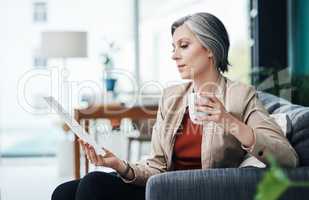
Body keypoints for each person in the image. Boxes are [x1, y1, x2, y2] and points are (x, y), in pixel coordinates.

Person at [51, 12, 298, 200]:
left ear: (210, 49)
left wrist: (228, 121)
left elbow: (288, 158)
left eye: (183, 46)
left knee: (93, 185)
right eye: (173, 47)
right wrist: (121, 166)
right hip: (161, 185)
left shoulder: (241, 95)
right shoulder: (172, 97)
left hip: (189, 191)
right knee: (64, 192)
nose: (174, 55)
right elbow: (156, 167)